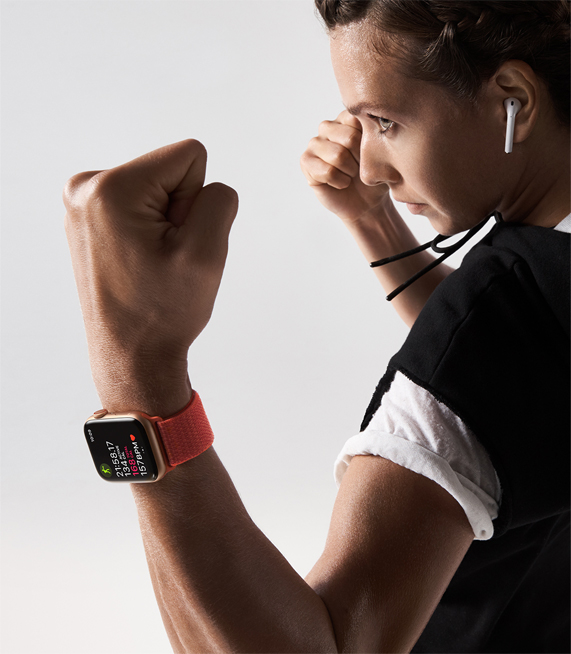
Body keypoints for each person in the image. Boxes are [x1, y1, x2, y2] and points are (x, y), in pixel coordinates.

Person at [63, 0, 570, 651]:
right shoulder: (531, 306)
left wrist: (136, 368)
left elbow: (488, 350)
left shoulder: (500, 320)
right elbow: (518, 374)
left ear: (513, 99)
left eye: (385, 122)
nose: (370, 168)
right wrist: (373, 222)